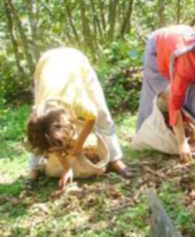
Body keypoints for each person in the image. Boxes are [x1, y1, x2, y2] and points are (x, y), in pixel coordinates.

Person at [26, 48, 131, 190]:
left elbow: (92, 118)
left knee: (103, 115)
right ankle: (34, 168)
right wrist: (67, 168)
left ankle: (115, 160)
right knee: (41, 139)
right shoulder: (39, 115)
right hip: (45, 64)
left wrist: (77, 147)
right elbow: (50, 138)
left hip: (76, 62)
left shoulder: (78, 103)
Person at [136, 25, 195, 162]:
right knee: (160, 95)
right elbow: (173, 103)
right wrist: (181, 143)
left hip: (179, 40)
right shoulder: (186, 66)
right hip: (158, 47)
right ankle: (146, 136)